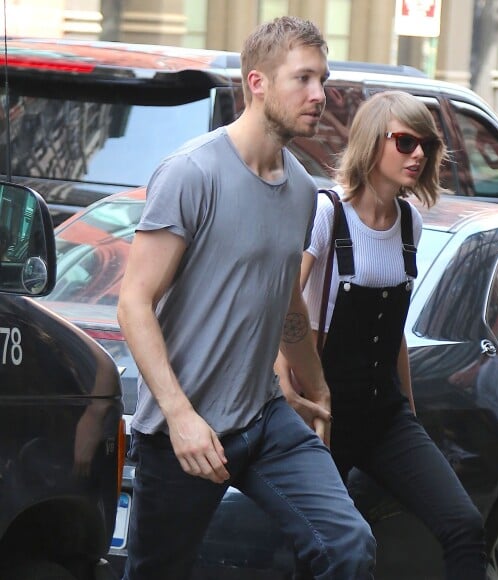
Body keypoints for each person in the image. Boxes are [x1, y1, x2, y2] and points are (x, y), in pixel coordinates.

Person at [117, 16, 376, 580]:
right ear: (257, 83)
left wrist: (318, 386)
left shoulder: (305, 191)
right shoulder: (191, 172)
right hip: (183, 435)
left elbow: (286, 302)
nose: (319, 95)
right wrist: (182, 418)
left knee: (347, 545)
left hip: (265, 420)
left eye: (323, 80)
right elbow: (133, 302)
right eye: (303, 79)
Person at [276, 90, 487, 579]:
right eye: (405, 142)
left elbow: (392, 334)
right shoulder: (329, 212)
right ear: (372, 143)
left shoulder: (410, 222)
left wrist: (408, 411)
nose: (418, 155)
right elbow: (282, 301)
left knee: (463, 525)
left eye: (426, 147)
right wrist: (283, 380)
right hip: (324, 412)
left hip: (384, 413)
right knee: (329, 549)